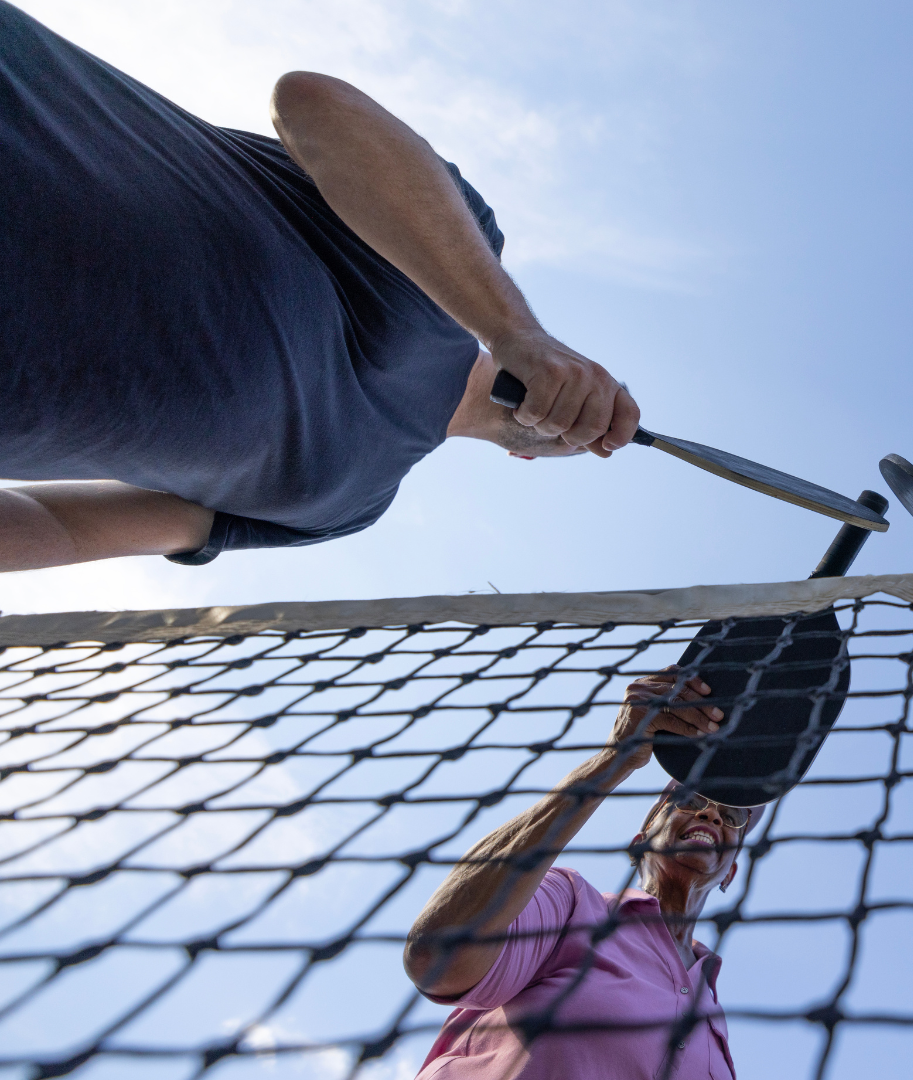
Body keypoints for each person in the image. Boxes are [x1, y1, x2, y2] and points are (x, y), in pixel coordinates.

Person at [0, 1, 637, 571]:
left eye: (594, 437)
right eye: (602, 396)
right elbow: (311, 104)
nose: (589, 420)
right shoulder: (460, 248)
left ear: (526, 460)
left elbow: (64, 524)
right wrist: (515, 330)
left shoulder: (347, 509)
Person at [406, 667, 753, 1079]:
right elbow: (439, 956)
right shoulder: (569, 902)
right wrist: (615, 759)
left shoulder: (714, 1021)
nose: (711, 811)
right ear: (640, 840)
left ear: (731, 873)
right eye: (685, 798)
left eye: (732, 815)